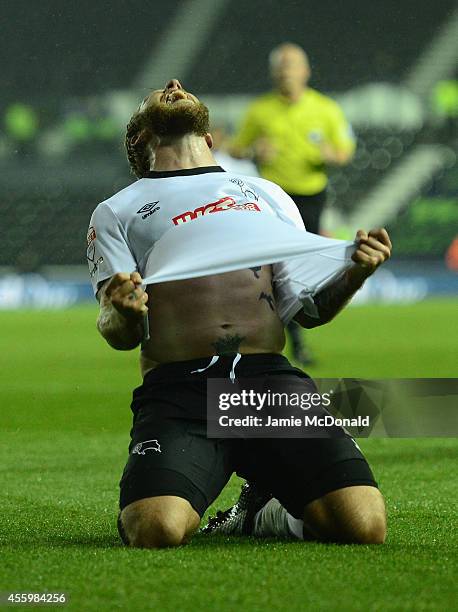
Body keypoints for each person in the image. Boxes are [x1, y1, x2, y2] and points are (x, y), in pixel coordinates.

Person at [87, 78, 391, 549]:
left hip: (267, 382)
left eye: (180, 86)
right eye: (157, 91)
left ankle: (263, 512)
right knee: (156, 529)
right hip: (180, 390)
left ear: (209, 138)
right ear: (139, 137)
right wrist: (124, 311)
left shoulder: (266, 194)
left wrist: (355, 273)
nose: (174, 83)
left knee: (364, 526)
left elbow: (307, 312)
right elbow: (117, 331)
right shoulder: (117, 212)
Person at [230, 42, 356, 364]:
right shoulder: (260, 110)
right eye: (282, 66)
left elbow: (345, 150)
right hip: (272, 197)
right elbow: (235, 148)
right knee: (272, 265)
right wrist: (254, 150)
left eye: (292, 65)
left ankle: (296, 326)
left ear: (305, 71)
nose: (286, 71)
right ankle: (291, 339)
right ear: (274, 73)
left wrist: (333, 154)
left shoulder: (326, 109)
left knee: (301, 266)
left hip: (310, 194)